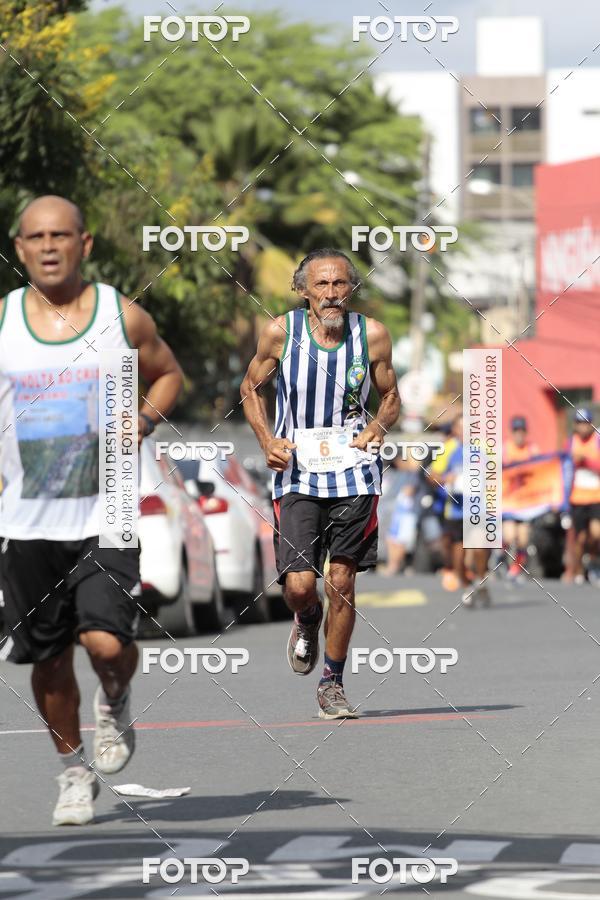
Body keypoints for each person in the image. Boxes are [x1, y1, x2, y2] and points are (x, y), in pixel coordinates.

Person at [0, 195, 183, 825]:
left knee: (106, 644)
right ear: (19, 248)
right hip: (26, 524)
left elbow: (166, 375)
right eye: (36, 237)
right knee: (49, 662)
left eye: (61, 235)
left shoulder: (119, 315)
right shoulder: (1, 323)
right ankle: (74, 773)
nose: (49, 246)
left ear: (86, 244)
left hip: (108, 511)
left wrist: (142, 420)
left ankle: (116, 694)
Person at [240, 248, 400, 719]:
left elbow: (390, 395)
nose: (331, 294)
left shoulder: (371, 335)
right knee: (299, 584)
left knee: (342, 581)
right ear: (303, 290)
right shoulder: (280, 333)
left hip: (354, 473)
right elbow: (250, 387)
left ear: (352, 288)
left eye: (339, 284)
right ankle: (306, 619)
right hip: (298, 472)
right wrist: (267, 438)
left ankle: (332, 682)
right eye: (321, 285)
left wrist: (379, 427)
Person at [433, 415, 492, 608]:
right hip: (456, 510)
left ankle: (480, 578)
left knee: (479, 546)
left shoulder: (483, 448)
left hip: (478, 507)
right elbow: (431, 475)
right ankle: (467, 585)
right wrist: (444, 479)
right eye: (462, 428)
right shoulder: (449, 449)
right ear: (456, 430)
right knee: (458, 555)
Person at [502, 416, 539, 580]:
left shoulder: (532, 450)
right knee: (510, 535)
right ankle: (501, 556)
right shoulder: (504, 449)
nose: (519, 434)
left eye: (522, 431)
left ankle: (517, 565)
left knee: (523, 538)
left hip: (526, 502)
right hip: (509, 500)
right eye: (516, 431)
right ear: (512, 432)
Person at [566, 408, 600, 584]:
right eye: (579, 423)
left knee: (596, 533)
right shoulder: (571, 442)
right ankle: (578, 569)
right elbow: (563, 468)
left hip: (596, 497)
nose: (583, 427)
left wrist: (586, 460)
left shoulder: (597, 440)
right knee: (579, 538)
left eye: (586, 423)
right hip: (577, 498)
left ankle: (593, 560)